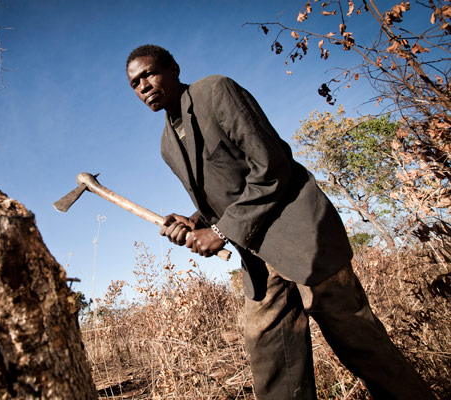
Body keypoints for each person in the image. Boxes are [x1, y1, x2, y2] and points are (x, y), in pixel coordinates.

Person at [125, 44, 435, 400]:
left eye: (148, 74)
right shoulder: (167, 144)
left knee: (363, 347)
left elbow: (272, 167)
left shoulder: (215, 91)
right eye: (135, 83)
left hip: (302, 238)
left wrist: (222, 231)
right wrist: (194, 221)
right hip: (258, 258)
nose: (143, 86)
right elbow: (223, 199)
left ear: (174, 69)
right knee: (273, 361)